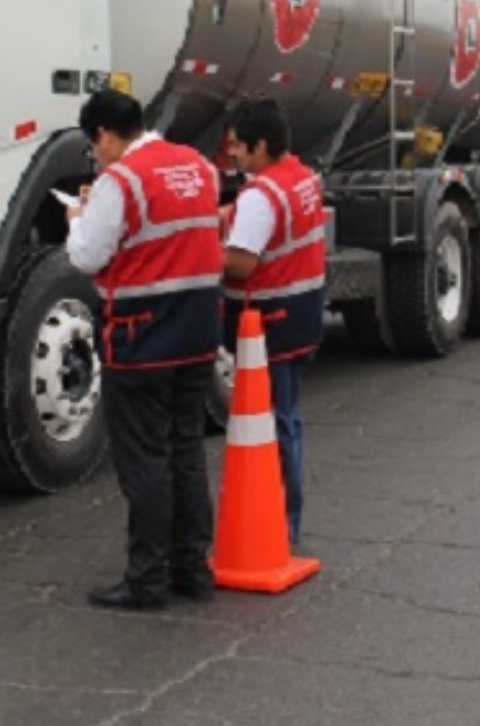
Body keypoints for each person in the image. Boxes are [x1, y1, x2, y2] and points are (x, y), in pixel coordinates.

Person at [66, 89, 223, 610]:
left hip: (142, 338)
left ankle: (147, 579)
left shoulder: (121, 182)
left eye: (95, 147)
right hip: (198, 333)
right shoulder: (200, 167)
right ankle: (193, 570)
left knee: (144, 462)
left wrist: (77, 222)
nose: (97, 156)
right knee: (186, 452)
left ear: (106, 135)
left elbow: (90, 256)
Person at [220, 98, 326, 545]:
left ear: (259, 146)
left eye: (238, 148)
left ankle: (281, 527)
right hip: (300, 316)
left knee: (274, 429)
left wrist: (198, 248)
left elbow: (241, 263)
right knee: (288, 423)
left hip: (270, 326)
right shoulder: (301, 177)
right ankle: (287, 522)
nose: (233, 157)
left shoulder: (261, 196)